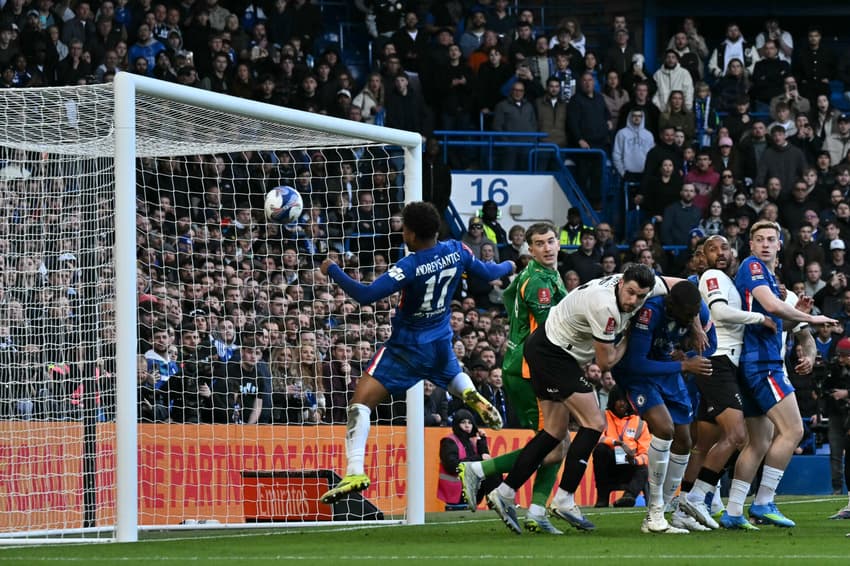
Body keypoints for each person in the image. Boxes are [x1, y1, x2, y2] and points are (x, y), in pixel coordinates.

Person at [319, 202, 515, 504]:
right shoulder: (457, 250)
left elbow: (366, 294)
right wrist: (510, 266)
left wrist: (331, 269)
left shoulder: (409, 266)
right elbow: (489, 271)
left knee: (360, 402)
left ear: (409, 233)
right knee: (450, 375)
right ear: (436, 229)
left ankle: (355, 470)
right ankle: (470, 393)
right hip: (440, 338)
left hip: (405, 347)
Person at [485, 264, 701, 534]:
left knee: (552, 432)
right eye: (630, 293)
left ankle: (504, 492)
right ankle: (564, 499)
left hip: (549, 348)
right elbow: (605, 362)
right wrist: (629, 338)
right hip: (554, 354)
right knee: (595, 422)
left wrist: (697, 326)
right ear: (621, 283)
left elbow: (684, 288)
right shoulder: (605, 307)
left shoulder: (648, 286)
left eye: (640, 296)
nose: (633, 301)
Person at [720, 220, 836, 529]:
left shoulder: (770, 276)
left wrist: (797, 315)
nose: (766, 244)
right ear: (751, 245)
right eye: (760, 239)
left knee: (759, 442)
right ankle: (763, 502)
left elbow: (773, 320)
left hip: (758, 360)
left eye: (771, 239)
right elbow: (772, 307)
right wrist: (811, 316)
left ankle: (733, 511)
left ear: (780, 245)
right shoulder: (753, 267)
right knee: (794, 431)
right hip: (763, 364)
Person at [457, 223, 568, 534]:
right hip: (530, 371)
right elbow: (553, 328)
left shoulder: (542, 275)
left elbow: (508, 296)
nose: (547, 247)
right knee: (553, 443)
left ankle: (536, 511)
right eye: (539, 244)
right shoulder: (537, 282)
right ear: (529, 250)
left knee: (558, 440)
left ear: (558, 244)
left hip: (531, 366)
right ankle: (481, 470)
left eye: (550, 241)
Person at [677, 235, 779, 530]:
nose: (720, 253)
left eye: (724, 247)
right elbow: (720, 311)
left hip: (721, 364)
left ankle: (684, 509)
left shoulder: (727, 279)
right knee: (736, 436)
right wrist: (760, 320)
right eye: (713, 249)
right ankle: (696, 498)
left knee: (705, 443)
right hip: (718, 362)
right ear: (702, 256)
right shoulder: (711, 277)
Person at [613, 281, 715, 534]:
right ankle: (654, 512)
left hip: (667, 370)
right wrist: (683, 366)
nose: (692, 319)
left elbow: (709, 343)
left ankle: (669, 511)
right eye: (688, 315)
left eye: (695, 314)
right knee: (664, 428)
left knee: (685, 439)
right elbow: (636, 363)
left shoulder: (696, 312)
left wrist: (689, 351)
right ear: (672, 306)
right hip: (639, 376)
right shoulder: (650, 313)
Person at [593, 385, 650, 508]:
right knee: (600, 450)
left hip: (630, 464)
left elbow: (645, 454)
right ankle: (602, 498)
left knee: (643, 468)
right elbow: (598, 438)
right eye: (618, 400)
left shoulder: (640, 423)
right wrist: (616, 443)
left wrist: (635, 459)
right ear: (612, 401)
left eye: (625, 400)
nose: (622, 403)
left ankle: (628, 497)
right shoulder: (603, 417)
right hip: (610, 465)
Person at [437, 409, 500, 507]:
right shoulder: (449, 442)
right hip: (456, 489)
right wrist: (478, 458)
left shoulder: (471, 441)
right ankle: (498, 503)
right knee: (491, 473)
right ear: (456, 424)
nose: (467, 426)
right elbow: (452, 466)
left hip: (469, 484)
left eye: (470, 423)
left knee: (493, 471)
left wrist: (482, 440)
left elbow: (485, 459)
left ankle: (499, 502)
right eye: (463, 422)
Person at [822, 337, 850, 516]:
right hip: (839, 415)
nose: (841, 359)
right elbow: (823, 387)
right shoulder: (834, 369)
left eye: (845, 356)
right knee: (844, 457)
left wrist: (847, 393)